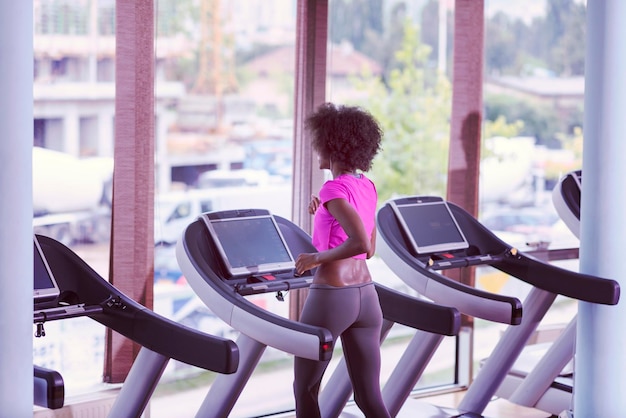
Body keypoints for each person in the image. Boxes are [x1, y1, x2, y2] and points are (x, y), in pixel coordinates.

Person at [293, 102, 390, 418]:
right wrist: (324, 209)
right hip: (366, 297)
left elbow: (359, 241)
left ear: (331, 144)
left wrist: (314, 259)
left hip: (333, 296)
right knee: (369, 397)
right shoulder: (366, 186)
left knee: (306, 389)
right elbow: (368, 250)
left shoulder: (333, 188)